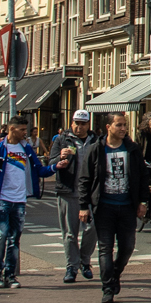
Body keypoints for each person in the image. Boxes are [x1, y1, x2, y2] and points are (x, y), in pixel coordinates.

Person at [77, 114, 150, 303]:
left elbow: (143, 177)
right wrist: (84, 206)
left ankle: (115, 272)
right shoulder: (96, 150)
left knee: (127, 247)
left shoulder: (132, 149)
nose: (123, 128)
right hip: (104, 207)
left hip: (127, 206)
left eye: (125, 125)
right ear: (108, 127)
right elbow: (85, 180)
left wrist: (143, 201)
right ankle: (107, 288)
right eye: (119, 125)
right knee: (105, 248)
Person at [0, 116, 53, 288]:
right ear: (11, 129)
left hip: (20, 200)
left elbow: (39, 170)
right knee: (1, 235)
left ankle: (10, 275)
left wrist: (55, 167)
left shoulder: (26, 149)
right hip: (3, 199)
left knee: (14, 238)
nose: (25, 133)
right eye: (22, 130)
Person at [55, 111, 93, 283]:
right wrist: (60, 157)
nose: (79, 126)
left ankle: (84, 261)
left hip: (91, 194)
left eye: (83, 123)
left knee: (93, 230)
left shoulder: (96, 141)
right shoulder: (62, 140)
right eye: (76, 123)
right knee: (70, 232)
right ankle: (72, 266)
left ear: (88, 125)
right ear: (71, 123)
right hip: (68, 191)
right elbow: (50, 162)